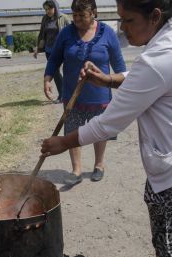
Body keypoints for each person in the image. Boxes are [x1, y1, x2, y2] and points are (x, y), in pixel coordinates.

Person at [41, 0, 172, 255]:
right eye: (120, 20)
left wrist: (64, 142)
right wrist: (107, 79)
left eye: (129, 20)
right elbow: (140, 77)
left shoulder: (157, 60)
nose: (123, 28)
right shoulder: (164, 45)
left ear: (155, 16)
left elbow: (109, 122)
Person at [43, 0, 126, 185]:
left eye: (82, 15)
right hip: (72, 94)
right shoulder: (66, 33)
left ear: (94, 13)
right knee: (72, 129)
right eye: (75, 15)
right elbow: (54, 58)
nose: (77, 19)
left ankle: (99, 164)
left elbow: (120, 66)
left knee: (100, 130)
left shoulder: (107, 33)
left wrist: (118, 83)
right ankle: (77, 169)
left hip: (100, 95)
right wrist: (47, 78)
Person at [34, 0, 71, 104]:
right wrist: (38, 48)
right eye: (45, 9)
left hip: (62, 49)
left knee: (68, 70)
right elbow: (42, 34)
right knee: (55, 73)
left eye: (49, 8)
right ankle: (62, 95)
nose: (47, 11)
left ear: (55, 7)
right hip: (49, 50)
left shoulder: (63, 18)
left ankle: (68, 93)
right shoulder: (45, 19)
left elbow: (72, 31)